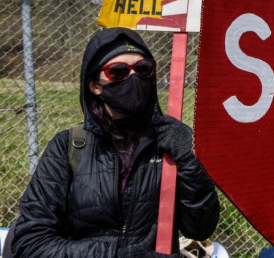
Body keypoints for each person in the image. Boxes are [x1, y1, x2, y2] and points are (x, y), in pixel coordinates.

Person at [11, 27, 220, 257]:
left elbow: (200, 228)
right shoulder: (68, 147)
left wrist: (190, 160)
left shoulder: (169, 144)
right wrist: (117, 254)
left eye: (143, 69)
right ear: (95, 86)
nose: (134, 78)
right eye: (118, 71)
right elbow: (30, 244)